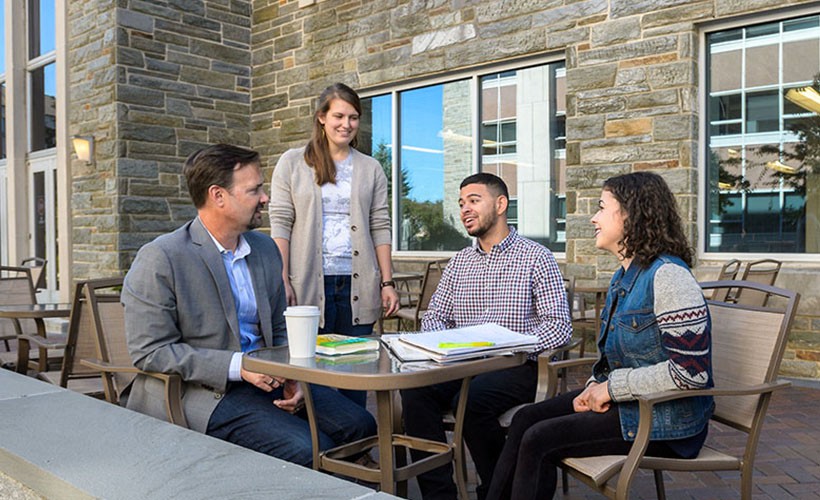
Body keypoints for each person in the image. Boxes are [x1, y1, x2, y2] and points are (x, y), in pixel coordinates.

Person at [122, 143, 376, 467]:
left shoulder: (264, 248)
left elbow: (281, 327)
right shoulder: (162, 258)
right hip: (207, 392)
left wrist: (296, 377)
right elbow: (151, 352)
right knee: (311, 448)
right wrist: (238, 366)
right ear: (218, 196)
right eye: (255, 189)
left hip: (271, 379)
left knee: (361, 425)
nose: (265, 198)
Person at [486, 171, 714, 500]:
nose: (593, 218)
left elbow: (692, 374)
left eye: (602, 207)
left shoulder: (668, 277)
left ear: (632, 214)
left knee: (539, 438)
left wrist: (611, 388)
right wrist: (596, 385)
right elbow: (622, 357)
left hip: (668, 421)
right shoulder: (624, 277)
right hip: (634, 403)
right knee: (526, 418)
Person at [400, 173, 573, 500]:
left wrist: (508, 343)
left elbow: (558, 326)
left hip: (516, 365)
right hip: (461, 364)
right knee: (414, 392)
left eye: (474, 200)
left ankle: (497, 491)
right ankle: (440, 496)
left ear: (501, 204)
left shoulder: (536, 257)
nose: (465, 209)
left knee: (473, 399)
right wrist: (444, 345)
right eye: (462, 203)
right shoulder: (459, 262)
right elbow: (435, 315)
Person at [269, 82, 399, 407]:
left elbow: (380, 226)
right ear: (321, 118)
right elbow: (281, 223)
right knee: (313, 372)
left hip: (358, 284)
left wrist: (387, 281)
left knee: (355, 373)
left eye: (353, 117)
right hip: (309, 284)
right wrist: (282, 277)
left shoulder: (371, 168)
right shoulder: (292, 162)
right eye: (339, 116)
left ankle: (357, 450)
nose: (347, 124)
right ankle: (320, 448)